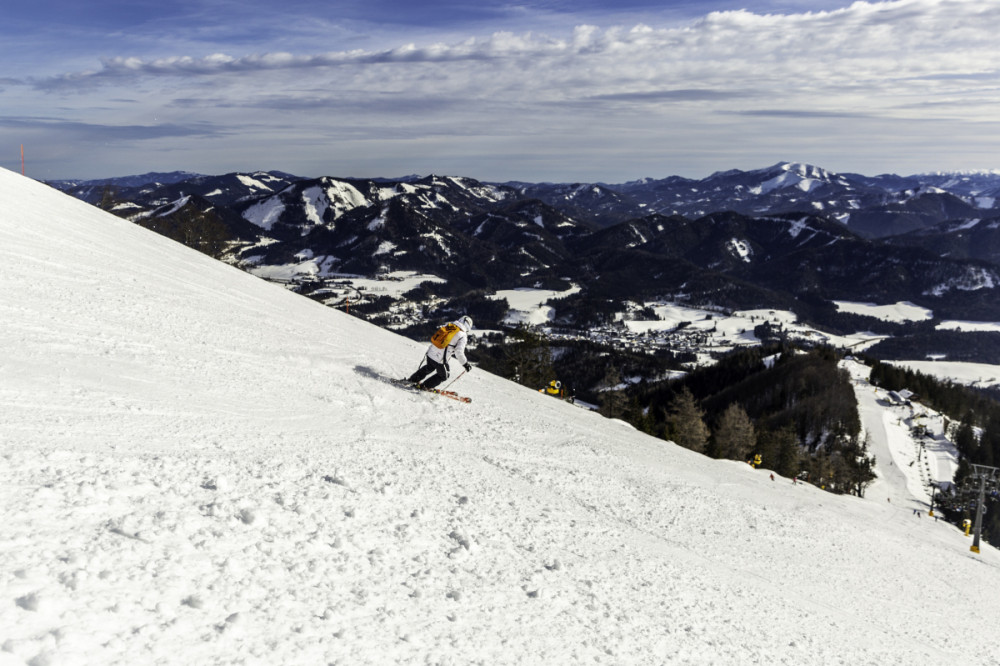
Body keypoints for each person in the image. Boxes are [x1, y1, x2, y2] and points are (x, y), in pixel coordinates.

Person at [407, 316, 473, 390]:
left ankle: (411, 380)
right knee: (444, 375)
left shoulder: (449, 326)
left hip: (430, 353)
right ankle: (424, 386)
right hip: (440, 359)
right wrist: (465, 364)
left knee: (429, 367)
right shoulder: (462, 335)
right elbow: (459, 352)